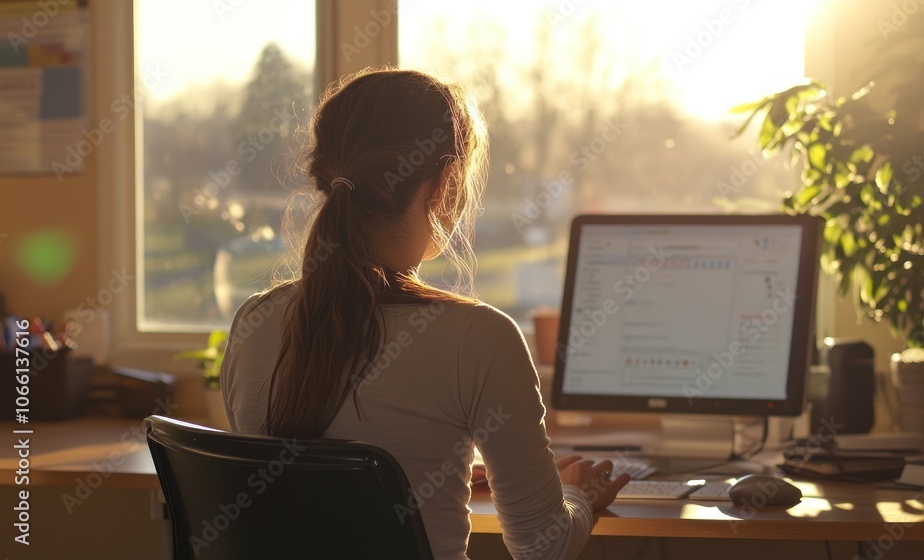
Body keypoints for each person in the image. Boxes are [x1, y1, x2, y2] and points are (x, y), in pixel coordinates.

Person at [221, 67, 629, 559]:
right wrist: (577, 494)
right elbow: (543, 547)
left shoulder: (254, 322)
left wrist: (432, 466)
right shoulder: (479, 338)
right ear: (443, 184)